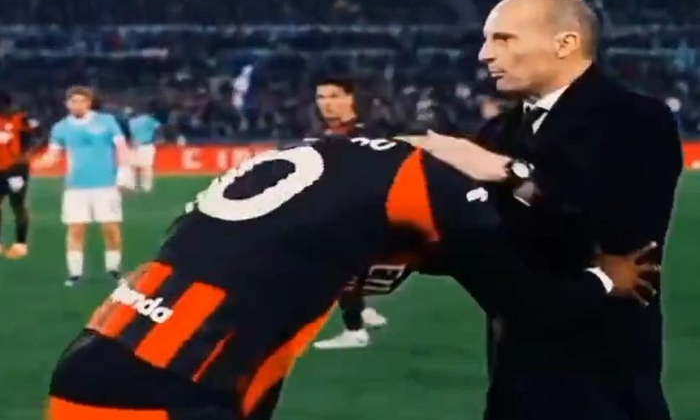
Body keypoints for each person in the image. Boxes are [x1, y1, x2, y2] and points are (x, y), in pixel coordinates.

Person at [47, 137, 658, 420]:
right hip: (177, 385)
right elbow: (528, 304)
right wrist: (607, 279)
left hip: (104, 349)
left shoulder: (329, 161)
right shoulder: (432, 185)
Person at [411, 0, 683, 420]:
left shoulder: (635, 118)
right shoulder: (499, 130)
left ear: (565, 43)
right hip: (514, 380)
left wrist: (511, 174)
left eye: (503, 39)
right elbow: (485, 242)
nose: (485, 54)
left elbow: (617, 225)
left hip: (603, 382)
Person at [307, 77, 389, 350]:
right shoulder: (320, 134)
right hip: (338, 210)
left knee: (338, 269)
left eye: (333, 96)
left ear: (350, 98)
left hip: (360, 211)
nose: (326, 104)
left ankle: (355, 331)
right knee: (351, 268)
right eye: (321, 97)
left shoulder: (369, 134)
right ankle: (362, 311)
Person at [37, 86, 134, 286]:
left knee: (110, 227)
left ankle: (113, 269)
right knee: (76, 228)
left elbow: (121, 147)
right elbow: (52, 156)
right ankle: (75, 273)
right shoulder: (61, 128)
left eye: (82, 101)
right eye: (74, 101)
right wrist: (29, 164)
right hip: (76, 186)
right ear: (67, 104)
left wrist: (124, 171)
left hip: (105, 184)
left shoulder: (106, 122)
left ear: (89, 103)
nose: (78, 105)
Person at [0, 91, 37, 259]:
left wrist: (22, 158)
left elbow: (33, 136)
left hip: (16, 169)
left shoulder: (19, 119)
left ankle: (20, 243)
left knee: (17, 205)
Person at [128, 107, 162, 193]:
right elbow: (158, 128)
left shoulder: (132, 121)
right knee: (146, 167)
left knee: (133, 167)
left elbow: (129, 133)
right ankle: (146, 187)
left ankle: (132, 185)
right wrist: (157, 139)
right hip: (146, 145)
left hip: (134, 145)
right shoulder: (149, 120)